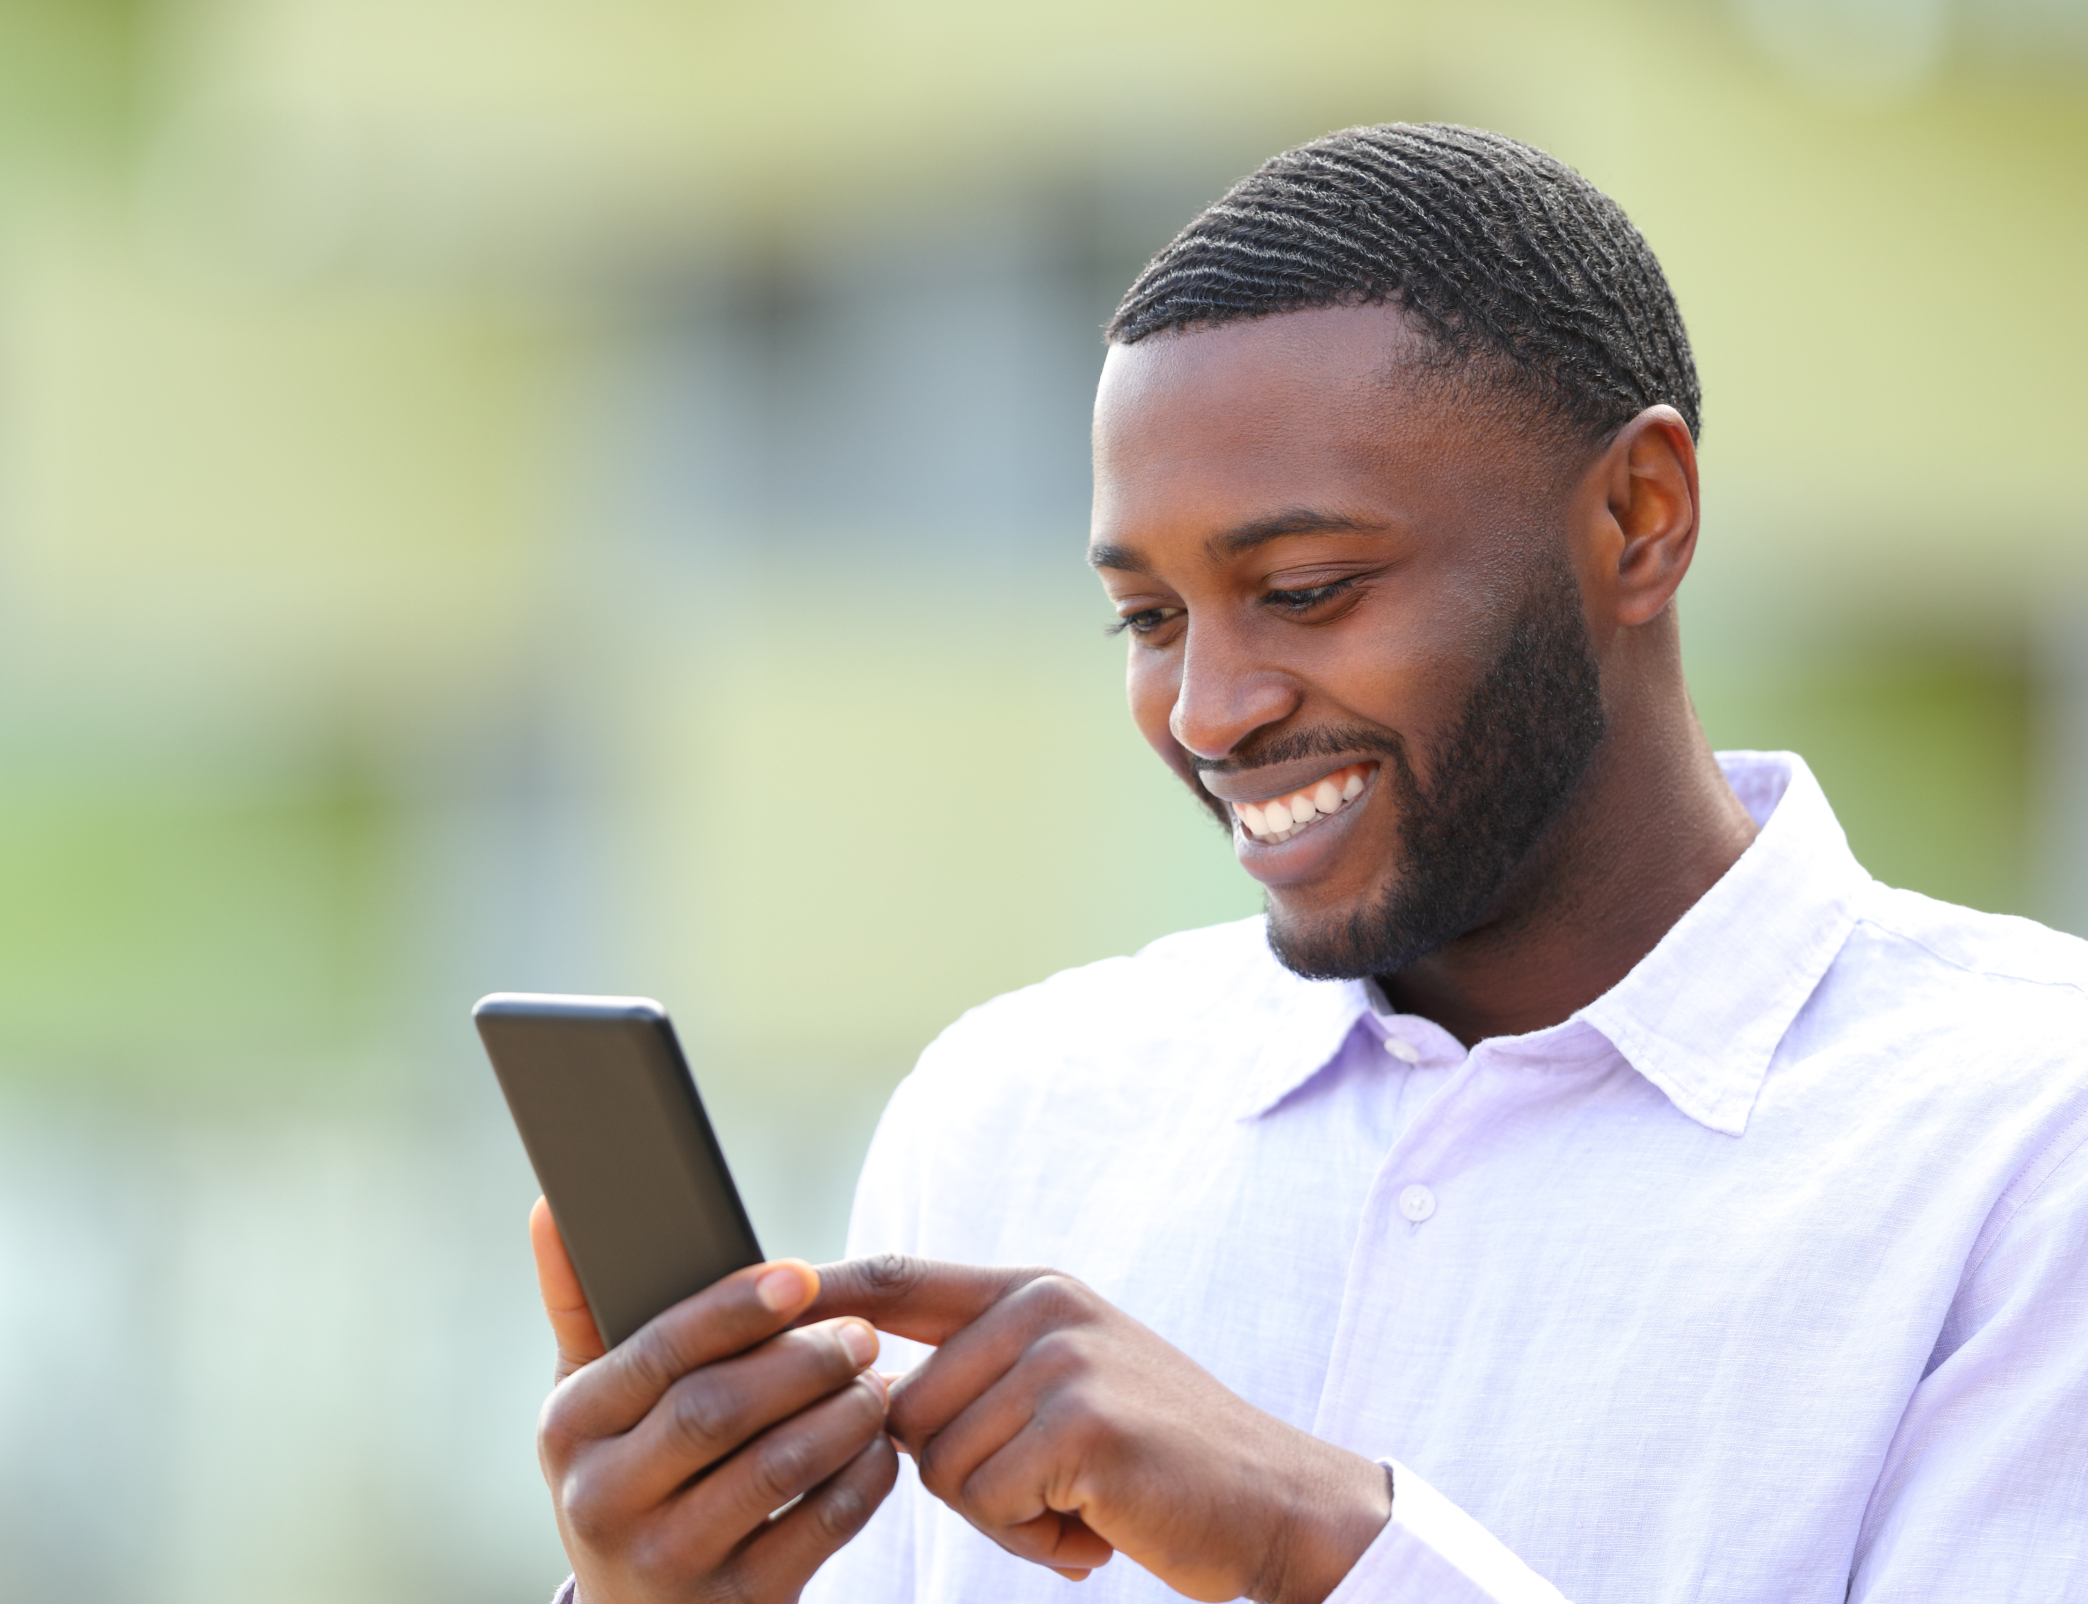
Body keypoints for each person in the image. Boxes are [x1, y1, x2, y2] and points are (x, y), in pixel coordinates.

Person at [523, 123, 2088, 1603]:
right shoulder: (1016, 1110)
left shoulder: (2024, 1138)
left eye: (1308, 587)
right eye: (1147, 619)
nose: (1207, 710)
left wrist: (1311, 1539)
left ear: (1636, 515)